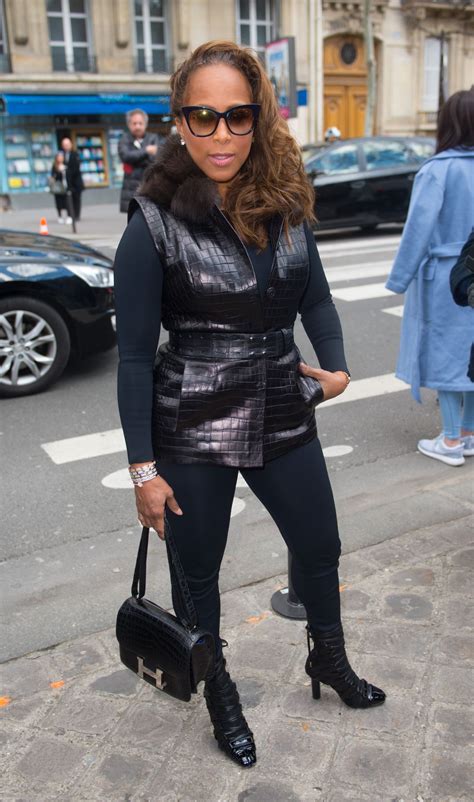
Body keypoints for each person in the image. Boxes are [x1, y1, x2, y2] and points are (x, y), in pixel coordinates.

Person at [114, 40, 385, 770]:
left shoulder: (287, 205)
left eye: (238, 116)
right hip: (191, 423)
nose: (222, 135)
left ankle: (326, 661)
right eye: (204, 117)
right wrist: (144, 470)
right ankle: (221, 696)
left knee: (320, 546)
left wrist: (337, 369)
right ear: (180, 120)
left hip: (282, 408)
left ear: (259, 118)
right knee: (197, 574)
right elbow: (136, 357)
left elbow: (318, 298)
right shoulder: (152, 225)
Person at [385, 89, 474, 468]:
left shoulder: (439, 170)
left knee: (447, 356)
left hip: (448, 277)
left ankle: (451, 439)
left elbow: (418, 230)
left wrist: (399, 279)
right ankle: (468, 433)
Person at [118, 109, 159, 213]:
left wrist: (135, 158)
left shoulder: (153, 138)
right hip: (131, 188)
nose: (137, 126)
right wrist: (146, 150)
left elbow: (156, 159)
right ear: (129, 125)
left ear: (145, 124)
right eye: (134, 123)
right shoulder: (124, 139)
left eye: (140, 123)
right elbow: (126, 156)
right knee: (134, 221)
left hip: (150, 186)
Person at [60, 137, 84, 221]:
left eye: (68, 144)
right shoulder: (62, 155)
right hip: (67, 183)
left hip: (76, 182)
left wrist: (66, 170)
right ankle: (71, 215)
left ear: (71, 145)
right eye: (64, 145)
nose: (66, 146)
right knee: (69, 200)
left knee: (76, 199)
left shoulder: (75, 154)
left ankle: (76, 216)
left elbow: (76, 168)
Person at [49, 152, 72, 224]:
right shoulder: (55, 166)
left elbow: (70, 175)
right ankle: (60, 216)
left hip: (66, 186)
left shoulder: (66, 165)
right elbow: (53, 176)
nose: (60, 158)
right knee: (58, 202)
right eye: (59, 157)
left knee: (68, 202)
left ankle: (69, 216)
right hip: (58, 188)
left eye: (61, 157)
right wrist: (59, 171)